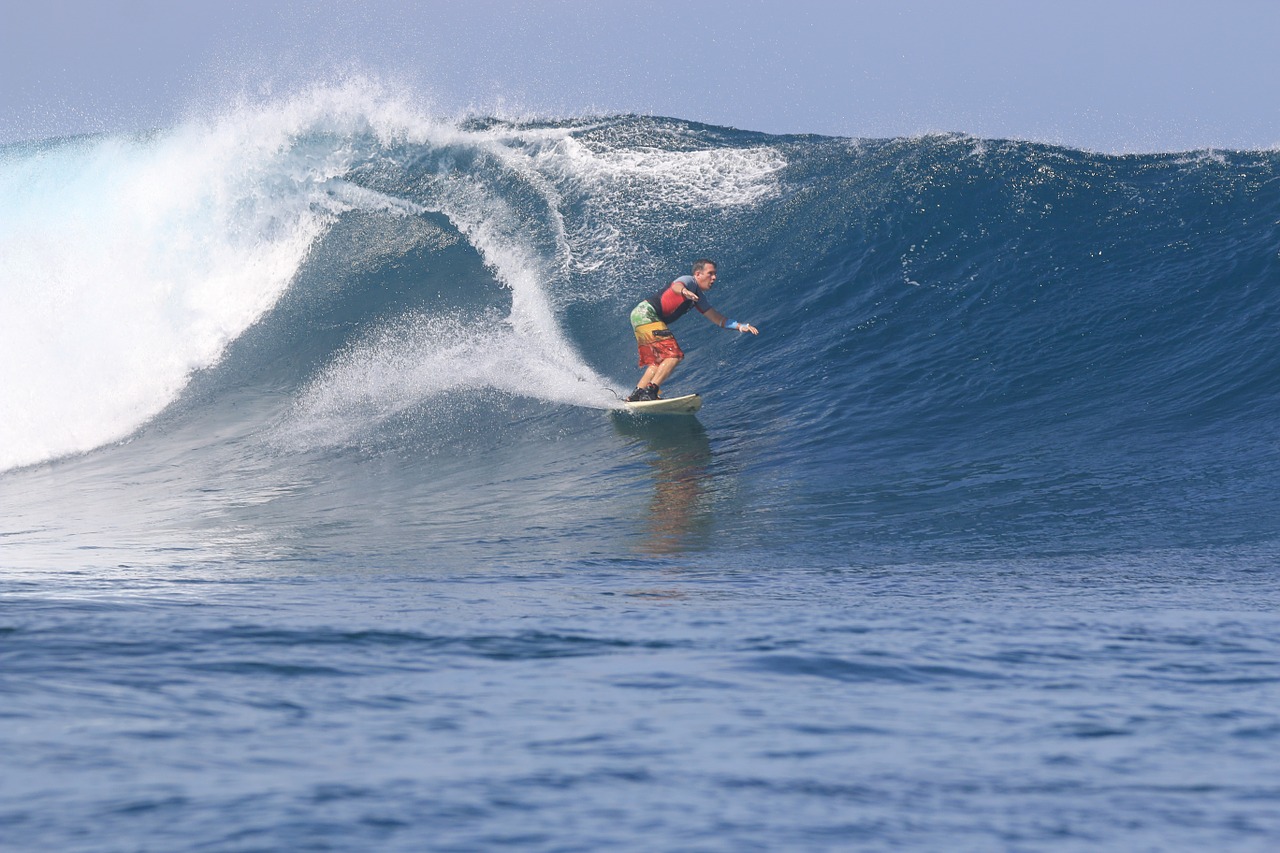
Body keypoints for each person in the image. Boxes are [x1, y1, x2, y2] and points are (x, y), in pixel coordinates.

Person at [626, 259, 758, 402]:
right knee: (674, 355)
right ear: (698, 274)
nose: (714, 278)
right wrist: (684, 292)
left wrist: (739, 326)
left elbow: (717, 319)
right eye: (710, 273)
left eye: (715, 274)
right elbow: (676, 286)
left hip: (639, 315)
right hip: (647, 313)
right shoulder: (689, 281)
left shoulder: (698, 298)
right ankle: (650, 392)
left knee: (659, 360)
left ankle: (636, 395)